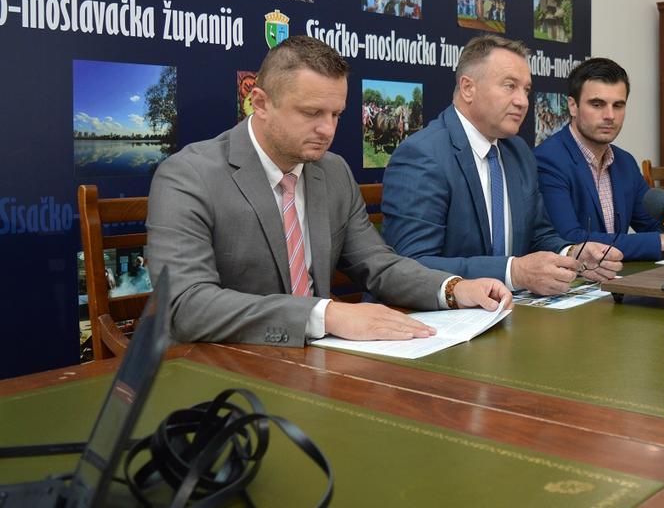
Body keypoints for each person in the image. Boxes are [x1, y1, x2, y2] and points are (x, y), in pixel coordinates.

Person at [146, 36, 510, 346]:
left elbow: (378, 264)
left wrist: (453, 289)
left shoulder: (332, 171)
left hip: (317, 360)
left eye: (336, 114)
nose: (328, 130)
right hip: (223, 365)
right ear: (260, 103)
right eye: (311, 113)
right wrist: (326, 315)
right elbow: (185, 305)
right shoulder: (189, 176)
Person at [381, 35, 623, 296]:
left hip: (507, 309)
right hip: (433, 315)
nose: (523, 101)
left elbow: (539, 235)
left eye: (526, 90)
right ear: (468, 88)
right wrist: (512, 272)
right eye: (510, 86)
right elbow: (411, 266)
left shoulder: (518, 151)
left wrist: (572, 253)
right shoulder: (423, 154)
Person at [534, 58, 664, 261]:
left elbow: (651, 223)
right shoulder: (548, 160)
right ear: (572, 106)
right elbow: (570, 238)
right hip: (572, 278)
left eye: (618, 105)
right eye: (597, 104)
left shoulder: (625, 162)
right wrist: (658, 242)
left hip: (615, 276)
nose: (609, 115)